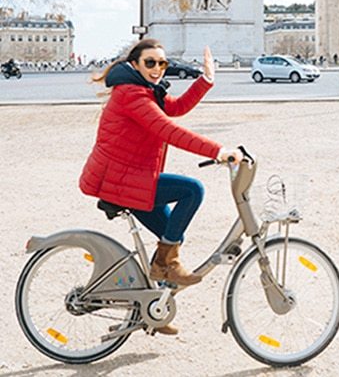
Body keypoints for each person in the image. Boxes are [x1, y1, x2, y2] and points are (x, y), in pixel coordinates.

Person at [79, 38, 240, 334]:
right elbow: (168, 128)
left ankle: (153, 307)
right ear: (135, 65)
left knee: (171, 240)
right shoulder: (132, 95)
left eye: (162, 63)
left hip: (130, 179)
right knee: (192, 191)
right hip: (122, 181)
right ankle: (160, 274)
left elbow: (175, 108)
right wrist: (217, 151)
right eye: (150, 63)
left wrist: (206, 80)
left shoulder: (145, 91)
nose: (157, 69)